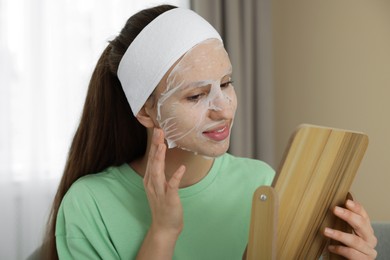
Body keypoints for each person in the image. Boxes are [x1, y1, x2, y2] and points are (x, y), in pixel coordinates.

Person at [43, 4, 377, 260]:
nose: (224, 109)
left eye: (226, 83)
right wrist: (163, 231)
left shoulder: (262, 182)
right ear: (146, 110)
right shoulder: (90, 204)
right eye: (196, 95)